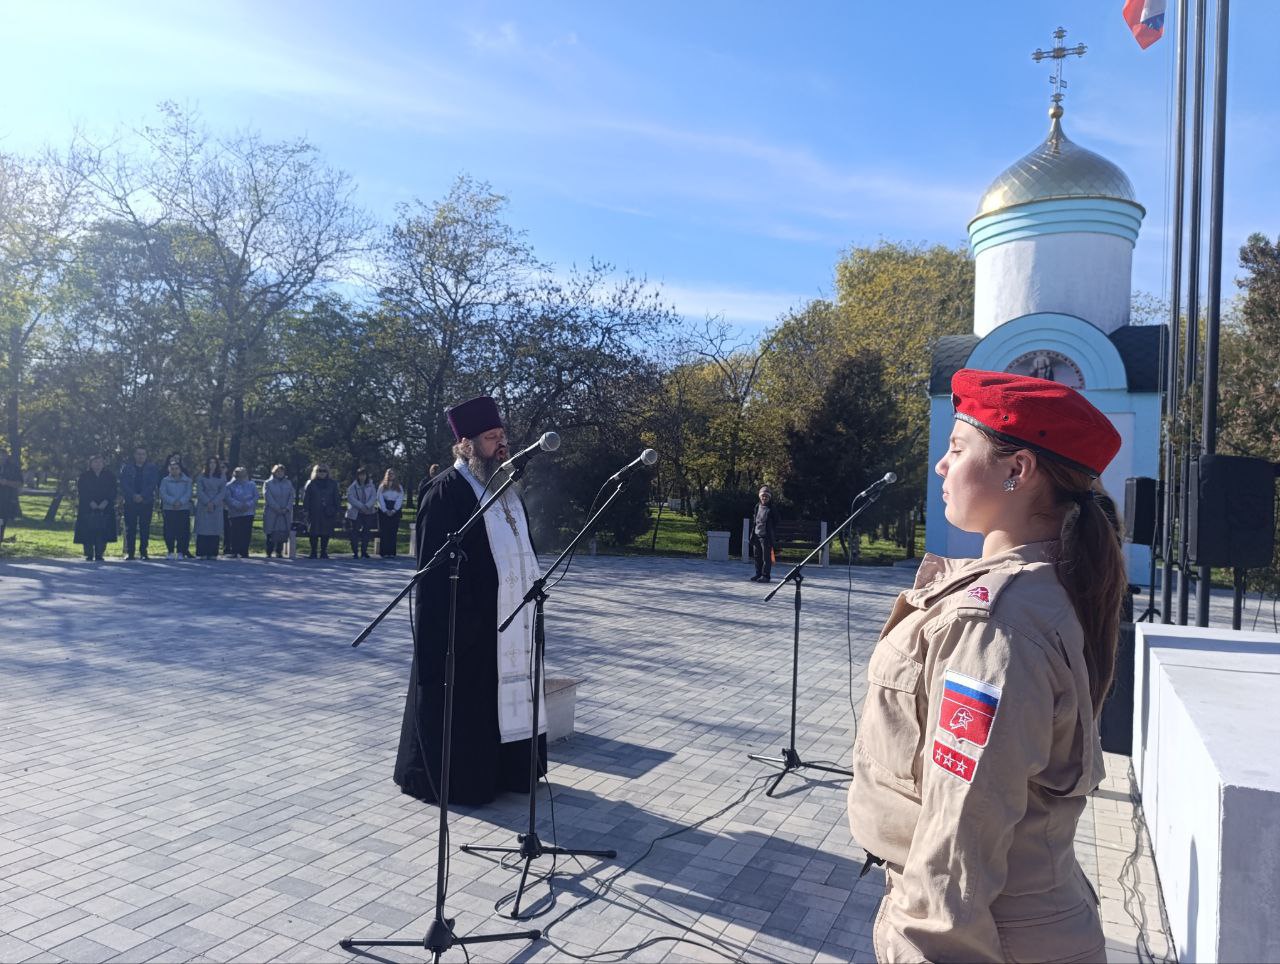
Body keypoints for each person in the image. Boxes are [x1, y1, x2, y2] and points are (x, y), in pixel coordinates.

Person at [846, 369, 1126, 963]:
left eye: (956, 448)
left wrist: (915, 943)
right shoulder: (1037, 587)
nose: (942, 467)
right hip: (1016, 920)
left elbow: (962, 829)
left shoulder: (998, 624)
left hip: (988, 934)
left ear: (1017, 470)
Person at [394, 395, 546, 806]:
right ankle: (464, 780)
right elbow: (433, 578)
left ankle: (509, 770)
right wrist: (461, 627)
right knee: (470, 706)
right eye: (491, 438)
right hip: (469, 629)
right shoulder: (446, 492)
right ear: (466, 444)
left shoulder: (504, 488)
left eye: (502, 436)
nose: (501, 444)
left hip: (511, 622)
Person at [118, 446, 160, 560]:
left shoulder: (152, 468)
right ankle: (130, 552)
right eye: (138, 454)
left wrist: (142, 496)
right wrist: (133, 495)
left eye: (143, 454)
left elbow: (153, 484)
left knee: (144, 527)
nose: (140, 456)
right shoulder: (127, 468)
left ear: (146, 456)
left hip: (146, 502)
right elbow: (123, 483)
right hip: (130, 502)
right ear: (134, 455)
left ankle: (143, 552)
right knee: (130, 528)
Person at [74, 455, 117, 561]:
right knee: (87, 530)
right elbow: (82, 491)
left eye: (100, 462)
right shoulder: (84, 476)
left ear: (104, 464)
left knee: (102, 531)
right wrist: (90, 502)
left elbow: (113, 490)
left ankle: (99, 553)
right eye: (95, 462)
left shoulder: (109, 476)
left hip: (105, 507)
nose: (98, 464)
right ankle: (89, 553)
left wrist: (106, 501)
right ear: (91, 463)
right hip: (87, 507)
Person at [302, 463, 339, 559]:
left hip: (328, 511)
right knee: (313, 532)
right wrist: (306, 510)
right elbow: (306, 498)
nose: (322, 473)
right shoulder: (311, 483)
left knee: (325, 532)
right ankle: (313, 552)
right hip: (314, 511)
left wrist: (335, 509)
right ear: (315, 472)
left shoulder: (333, 484)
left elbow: (336, 498)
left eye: (324, 471)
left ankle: (324, 552)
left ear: (327, 472)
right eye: (319, 471)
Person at [158, 459, 193, 559]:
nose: (174, 470)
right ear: (169, 470)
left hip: (183, 509)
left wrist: (180, 502)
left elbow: (188, 493)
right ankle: (170, 551)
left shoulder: (187, 480)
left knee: (183, 531)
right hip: (169, 509)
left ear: (180, 470)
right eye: (172, 469)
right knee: (169, 531)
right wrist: (173, 502)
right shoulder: (165, 480)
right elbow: (163, 493)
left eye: (176, 468)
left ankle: (181, 551)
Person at [194, 457, 226, 560]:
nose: (212, 465)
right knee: (203, 530)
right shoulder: (201, 476)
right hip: (203, 505)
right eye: (210, 462)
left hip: (216, 506)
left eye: (214, 463)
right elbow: (199, 491)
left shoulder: (222, 476)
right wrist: (207, 502)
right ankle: (201, 552)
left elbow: (223, 491)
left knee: (214, 530)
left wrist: (214, 502)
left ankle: (213, 553)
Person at [262, 465, 295, 559]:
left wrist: (287, 508)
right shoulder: (268, 483)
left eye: (281, 471)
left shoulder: (288, 483)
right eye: (277, 471)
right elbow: (267, 496)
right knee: (270, 532)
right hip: (272, 512)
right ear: (274, 472)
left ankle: (279, 552)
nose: (280, 473)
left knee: (282, 532)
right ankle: (269, 551)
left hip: (285, 512)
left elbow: (291, 496)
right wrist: (277, 508)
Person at [345, 467, 378, 559]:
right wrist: (361, 506)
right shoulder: (353, 486)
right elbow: (351, 498)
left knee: (366, 532)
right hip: (356, 512)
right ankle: (355, 552)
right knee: (355, 531)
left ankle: (364, 551)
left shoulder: (371, 485)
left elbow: (374, 497)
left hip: (368, 512)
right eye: (360, 475)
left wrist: (367, 506)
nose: (362, 477)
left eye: (364, 474)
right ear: (357, 476)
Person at [225, 467, 258, 558]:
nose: (240, 477)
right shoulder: (229, 485)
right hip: (235, 513)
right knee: (235, 532)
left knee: (246, 532)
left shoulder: (252, 485)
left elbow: (255, 497)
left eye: (242, 474)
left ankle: (244, 551)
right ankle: (234, 550)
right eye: (238, 475)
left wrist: (248, 504)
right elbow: (228, 498)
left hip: (248, 512)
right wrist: (238, 505)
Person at [749, 485, 777, 582]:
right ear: (760, 497)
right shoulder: (757, 506)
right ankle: (758, 574)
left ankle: (766, 576)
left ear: (769, 498)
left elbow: (777, 520)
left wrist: (771, 529)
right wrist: (753, 534)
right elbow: (755, 520)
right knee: (757, 556)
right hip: (757, 534)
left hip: (766, 536)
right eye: (763, 496)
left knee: (766, 557)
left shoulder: (771, 508)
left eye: (766, 496)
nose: (764, 498)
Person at [376, 469, 405, 558]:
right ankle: (383, 552)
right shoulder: (382, 486)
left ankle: (391, 552)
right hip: (384, 510)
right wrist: (385, 510)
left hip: (394, 510)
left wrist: (394, 510)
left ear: (395, 475)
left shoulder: (399, 487)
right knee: (384, 531)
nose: (390, 475)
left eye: (392, 474)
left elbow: (400, 499)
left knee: (392, 532)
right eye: (389, 474)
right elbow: (379, 498)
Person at [0, 445, 21, 545]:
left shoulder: (13, 468)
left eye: (3, 455)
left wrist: (6, 482)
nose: (1, 458)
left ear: (7, 456)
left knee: (1, 522)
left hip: (5, 501)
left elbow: (19, 483)